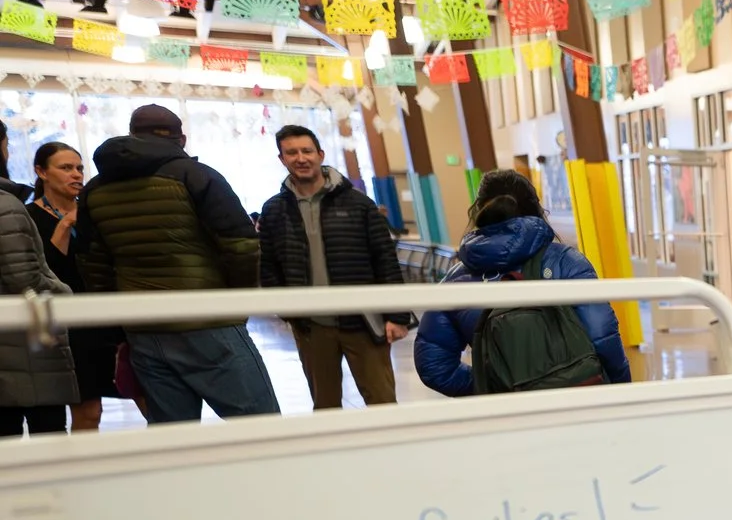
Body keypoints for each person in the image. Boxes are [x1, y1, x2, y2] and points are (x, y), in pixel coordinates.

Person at [75, 104, 279, 424]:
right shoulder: (196, 176)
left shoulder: (93, 191)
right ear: (181, 139)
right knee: (260, 425)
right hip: (207, 320)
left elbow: (92, 265)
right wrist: (237, 303)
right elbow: (242, 245)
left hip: (143, 327)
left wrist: (119, 324)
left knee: (174, 438)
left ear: (133, 135)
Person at [416, 170, 629, 396]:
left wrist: (491, 385)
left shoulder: (456, 280)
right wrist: (620, 384)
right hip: (573, 400)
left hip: (509, 415)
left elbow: (434, 366)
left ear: (479, 210)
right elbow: (602, 334)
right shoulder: (566, 262)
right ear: (536, 208)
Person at [258, 125, 413, 409]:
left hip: (363, 320)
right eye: (291, 153)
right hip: (312, 326)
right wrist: (287, 311)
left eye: (306, 151)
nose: (300, 158)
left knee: (382, 401)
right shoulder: (274, 210)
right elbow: (269, 265)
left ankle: (392, 451)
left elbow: (384, 259)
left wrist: (397, 315)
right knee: (325, 405)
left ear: (320, 154)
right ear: (282, 159)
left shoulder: (359, 205)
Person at [25, 142, 118, 430]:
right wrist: (65, 225)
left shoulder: (94, 211)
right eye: (65, 168)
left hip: (103, 319)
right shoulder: (28, 216)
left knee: (143, 396)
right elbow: (45, 273)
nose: (76, 175)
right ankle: (82, 473)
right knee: (89, 410)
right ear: (41, 172)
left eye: (79, 168)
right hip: (64, 325)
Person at [0, 185, 76, 434]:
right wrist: (62, 291)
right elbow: (24, 279)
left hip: (17, 342)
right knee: (47, 434)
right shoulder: (6, 206)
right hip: (25, 338)